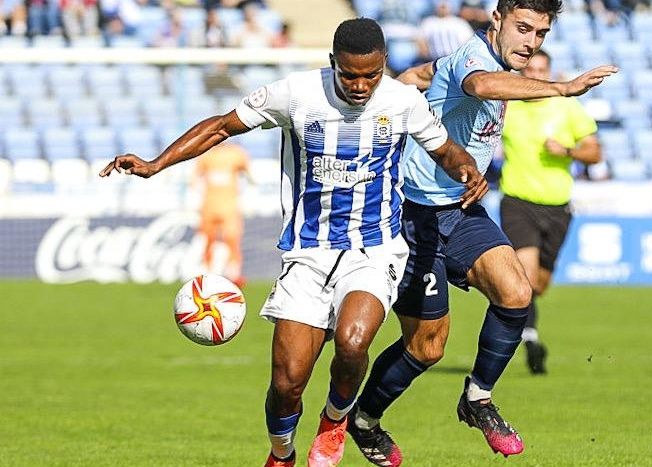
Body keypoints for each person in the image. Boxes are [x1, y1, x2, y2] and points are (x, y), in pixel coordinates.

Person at [98, 18, 489, 467]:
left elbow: (445, 149)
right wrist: (155, 163)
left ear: (383, 64)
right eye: (349, 75)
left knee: (353, 339)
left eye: (371, 75)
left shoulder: (402, 102)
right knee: (287, 383)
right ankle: (281, 454)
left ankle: (335, 419)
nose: (361, 86)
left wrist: (467, 170)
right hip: (307, 253)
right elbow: (222, 127)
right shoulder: (295, 94)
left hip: (374, 249)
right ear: (332, 64)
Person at [346, 1, 617, 465]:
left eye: (541, 34)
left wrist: (399, 89)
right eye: (523, 28)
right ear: (497, 21)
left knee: (516, 292)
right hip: (413, 215)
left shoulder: (483, 65)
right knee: (427, 346)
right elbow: (478, 84)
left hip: (462, 208)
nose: (531, 42)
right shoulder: (476, 59)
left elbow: (423, 76)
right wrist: (563, 88)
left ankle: (477, 398)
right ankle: (363, 419)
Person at [499, 49, 601, 375]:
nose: (536, 76)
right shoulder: (507, 106)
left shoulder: (568, 108)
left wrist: (567, 150)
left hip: (557, 207)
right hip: (517, 202)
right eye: (531, 70)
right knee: (526, 279)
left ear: (551, 73)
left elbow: (595, 153)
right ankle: (530, 339)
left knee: (539, 285)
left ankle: (525, 324)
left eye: (542, 70)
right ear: (522, 73)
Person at [193, 141, 251, 288]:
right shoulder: (206, 154)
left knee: (232, 239)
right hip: (209, 205)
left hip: (230, 205)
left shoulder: (236, 153)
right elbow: (195, 178)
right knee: (208, 240)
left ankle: (234, 274)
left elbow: (249, 174)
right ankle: (207, 274)